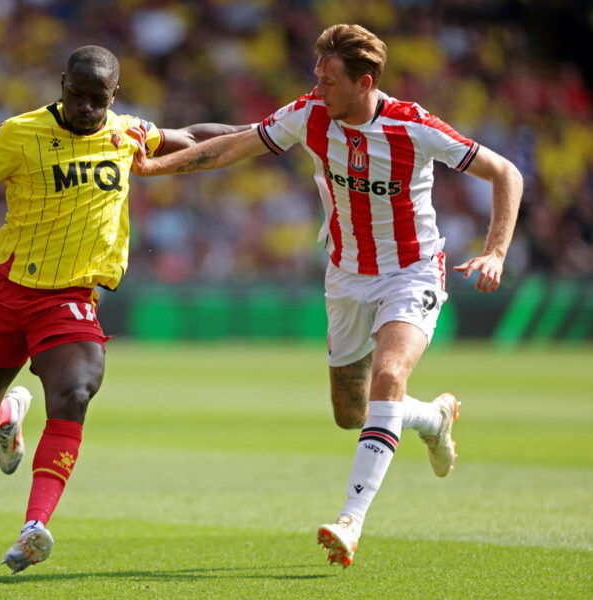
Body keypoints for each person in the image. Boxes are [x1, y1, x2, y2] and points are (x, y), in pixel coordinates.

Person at [0, 45, 250, 574]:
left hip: (70, 298)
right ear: (61, 85)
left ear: (113, 96)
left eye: (96, 100)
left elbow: (193, 138)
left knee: (75, 390)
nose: (84, 108)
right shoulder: (20, 133)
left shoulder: (127, 132)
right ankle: (7, 414)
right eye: (75, 95)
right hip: (4, 293)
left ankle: (34, 526)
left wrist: (271, 130)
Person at [130, 24, 523, 567]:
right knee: (351, 413)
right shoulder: (310, 113)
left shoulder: (414, 126)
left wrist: (496, 252)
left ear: (365, 83)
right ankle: (431, 420)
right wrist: (154, 167)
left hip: (412, 271)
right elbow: (233, 147)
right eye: (316, 75)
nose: (318, 88)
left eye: (330, 79)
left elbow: (505, 172)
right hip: (345, 275)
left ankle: (350, 521)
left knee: (389, 377)